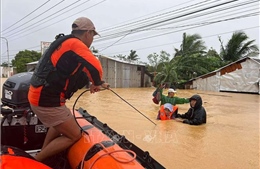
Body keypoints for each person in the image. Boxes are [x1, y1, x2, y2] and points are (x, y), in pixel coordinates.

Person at [28, 17, 109, 162]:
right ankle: (36, 161)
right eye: (93, 35)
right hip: (46, 101)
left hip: (40, 96)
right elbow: (94, 66)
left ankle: (44, 152)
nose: (92, 39)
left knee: (60, 123)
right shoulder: (75, 44)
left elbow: (84, 69)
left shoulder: (66, 44)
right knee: (74, 135)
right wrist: (97, 82)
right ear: (88, 33)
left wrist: (96, 83)